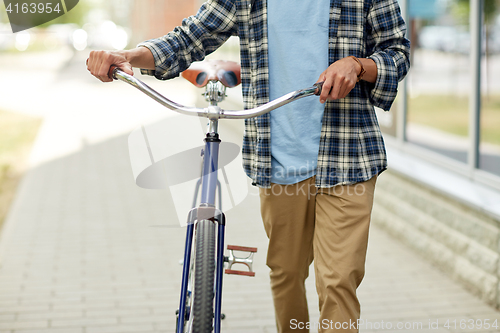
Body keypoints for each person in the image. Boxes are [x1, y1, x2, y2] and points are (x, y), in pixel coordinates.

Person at [87, 0, 410, 332]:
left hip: (347, 157)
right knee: (286, 274)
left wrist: (358, 65)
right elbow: (188, 38)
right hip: (278, 159)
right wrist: (127, 56)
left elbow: (397, 52)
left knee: (338, 282)